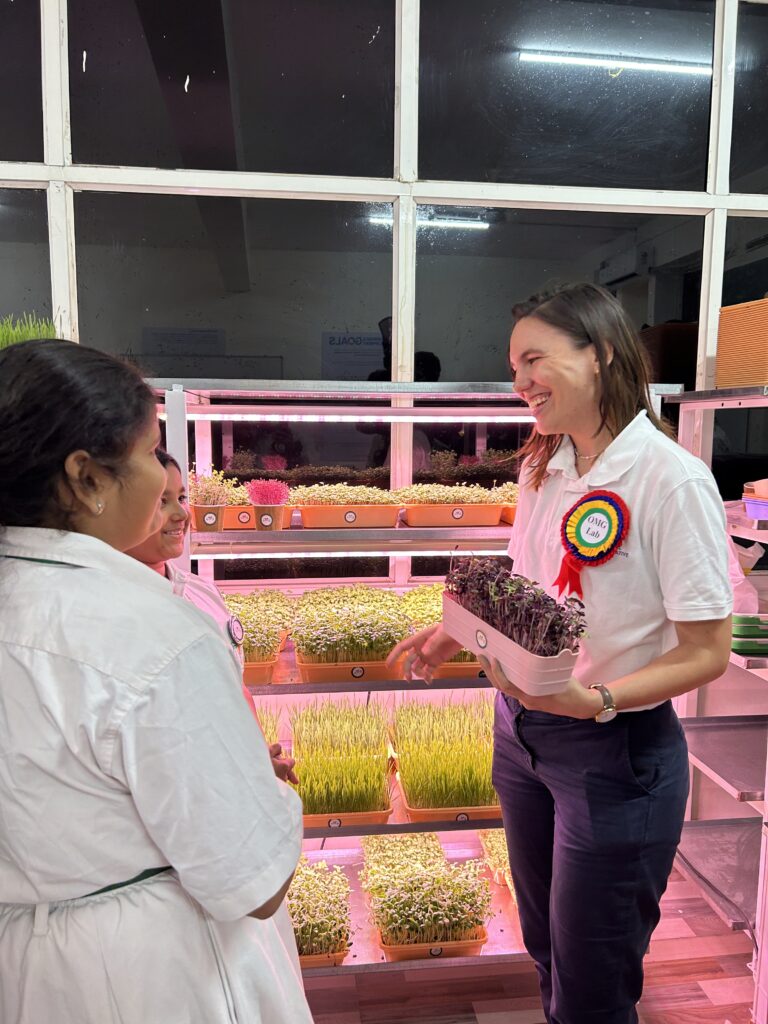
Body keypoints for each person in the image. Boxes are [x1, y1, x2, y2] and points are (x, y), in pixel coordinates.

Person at [388, 283, 732, 1024]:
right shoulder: (546, 466)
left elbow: (708, 651)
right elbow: (527, 578)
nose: (520, 383)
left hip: (616, 755)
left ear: (601, 352)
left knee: (594, 979)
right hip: (522, 735)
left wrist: (597, 699)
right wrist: (458, 628)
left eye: (535, 360)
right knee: (545, 944)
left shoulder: (672, 481)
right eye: (513, 367)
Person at [0, 339, 312, 1024]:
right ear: (86, 477)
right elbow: (253, 883)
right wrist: (266, 793)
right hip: (151, 974)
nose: (165, 486)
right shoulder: (149, 631)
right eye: (148, 453)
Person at [124, 449, 298, 784]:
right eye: (161, 501)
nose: (182, 514)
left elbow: (234, 688)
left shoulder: (202, 593)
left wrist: (257, 756)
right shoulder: (109, 611)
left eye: (182, 497)